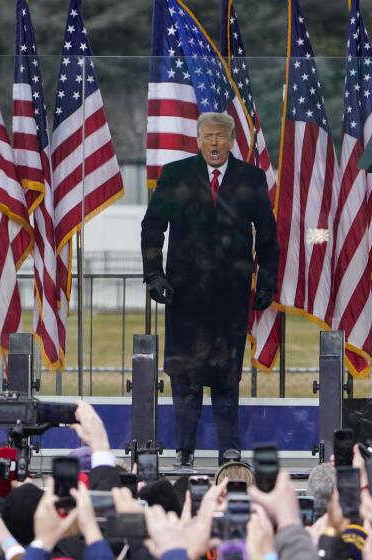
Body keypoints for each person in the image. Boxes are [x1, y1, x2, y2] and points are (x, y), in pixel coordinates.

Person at [140, 111, 279, 467]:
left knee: (226, 374)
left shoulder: (251, 177)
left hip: (230, 297)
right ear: (197, 140)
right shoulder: (175, 175)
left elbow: (266, 234)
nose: (214, 143)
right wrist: (154, 274)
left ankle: (229, 450)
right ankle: (183, 450)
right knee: (184, 376)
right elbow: (153, 227)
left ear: (232, 140)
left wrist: (266, 281)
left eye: (221, 136)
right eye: (208, 137)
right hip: (184, 296)